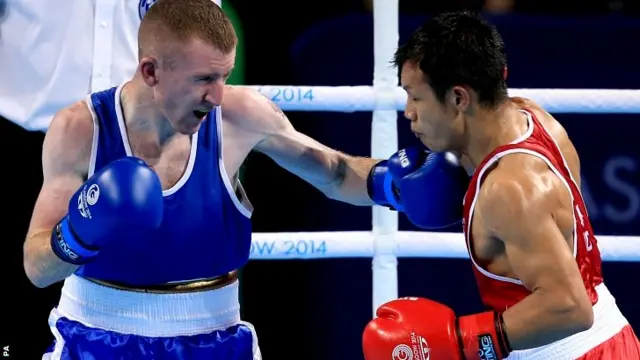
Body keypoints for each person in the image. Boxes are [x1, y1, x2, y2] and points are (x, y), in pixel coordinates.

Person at [22, 0, 468, 358]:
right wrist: (79, 232)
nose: (217, 95)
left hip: (214, 339)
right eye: (204, 79)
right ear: (151, 71)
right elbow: (37, 268)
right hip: (95, 338)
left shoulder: (238, 115)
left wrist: (393, 184)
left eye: (224, 76)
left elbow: (334, 172)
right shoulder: (82, 129)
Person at [362, 10, 640, 360]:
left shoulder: (509, 188)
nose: (408, 112)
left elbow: (571, 307)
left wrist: (462, 342)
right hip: (607, 339)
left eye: (416, 97)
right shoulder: (530, 119)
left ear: (459, 98)